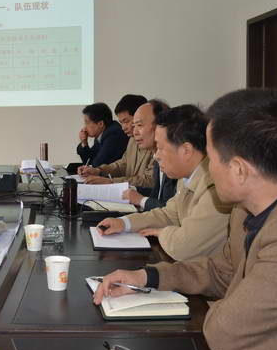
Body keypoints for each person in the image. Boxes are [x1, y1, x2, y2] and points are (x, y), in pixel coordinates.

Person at [93, 89, 277, 350]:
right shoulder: (246, 209)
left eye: (212, 158)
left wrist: (216, 305)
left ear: (239, 170)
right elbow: (221, 271)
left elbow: (226, 334)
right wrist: (147, 277)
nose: (207, 168)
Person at [97, 105, 232, 260]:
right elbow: (169, 214)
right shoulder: (186, 178)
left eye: (160, 148)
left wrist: (162, 233)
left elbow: (184, 247)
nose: (156, 156)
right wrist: (124, 223)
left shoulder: (216, 188)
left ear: (186, 150)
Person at [80, 99, 164, 188]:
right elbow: (123, 164)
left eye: (126, 121)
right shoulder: (132, 140)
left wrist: (112, 182)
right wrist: (99, 171)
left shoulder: (158, 147)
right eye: (134, 125)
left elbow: (150, 181)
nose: (123, 128)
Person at [76, 103, 128, 168]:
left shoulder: (113, 134)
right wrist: (84, 143)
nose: (85, 127)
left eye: (87, 123)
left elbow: (97, 165)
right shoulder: (101, 134)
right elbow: (89, 161)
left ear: (100, 124)